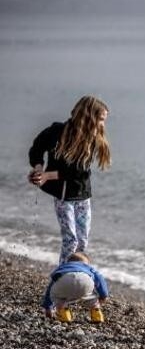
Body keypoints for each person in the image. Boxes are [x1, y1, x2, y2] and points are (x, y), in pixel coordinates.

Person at [28, 95, 111, 264]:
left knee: (82, 242)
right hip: (64, 197)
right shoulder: (57, 131)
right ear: (88, 116)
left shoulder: (93, 140)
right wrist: (38, 168)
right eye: (101, 119)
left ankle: (77, 275)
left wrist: (46, 176)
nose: (103, 124)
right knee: (71, 240)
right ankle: (62, 277)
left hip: (83, 195)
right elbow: (37, 146)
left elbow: (78, 172)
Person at [41, 251, 109, 323]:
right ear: (85, 262)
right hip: (85, 280)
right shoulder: (88, 267)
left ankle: (64, 314)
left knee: (56, 295)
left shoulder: (63, 267)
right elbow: (100, 279)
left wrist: (47, 307)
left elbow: (51, 285)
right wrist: (103, 295)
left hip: (64, 280)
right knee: (91, 298)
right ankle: (97, 314)